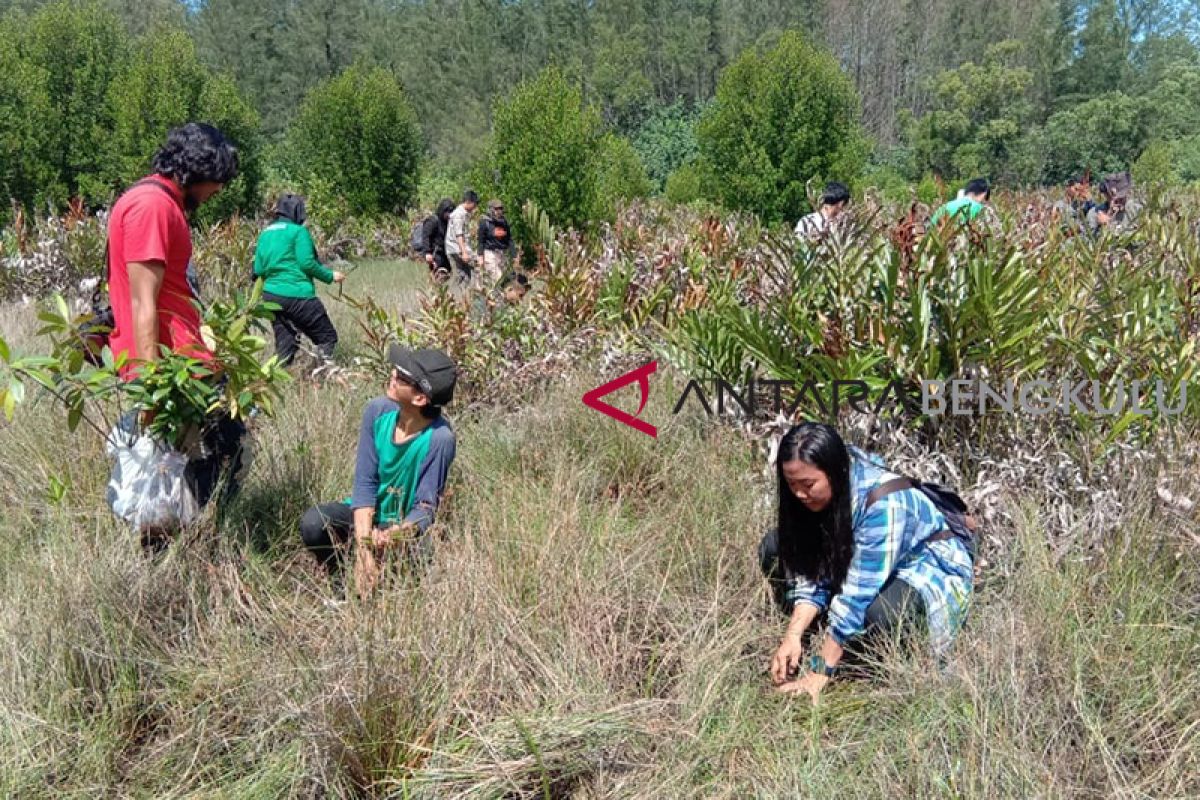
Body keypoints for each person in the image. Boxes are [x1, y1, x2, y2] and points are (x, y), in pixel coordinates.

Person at [759, 422, 974, 702]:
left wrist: (819, 672)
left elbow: (857, 594)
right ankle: (822, 633)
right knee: (776, 546)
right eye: (791, 485)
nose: (799, 494)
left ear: (835, 473)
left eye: (808, 485)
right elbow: (810, 564)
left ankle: (866, 656)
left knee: (881, 613)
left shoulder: (883, 504)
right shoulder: (811, 499)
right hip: (860, 560)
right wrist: (793, 634)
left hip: (924, 567)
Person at [105, 122, 247, 513]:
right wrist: (154, 387)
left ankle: (191, 546)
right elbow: (142, 302)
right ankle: (193, 548)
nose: (217, 191)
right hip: (172, 374)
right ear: (197, 170)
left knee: (204, 460)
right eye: (217, 180)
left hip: (185, 367)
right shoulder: (151, 206)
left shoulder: (162, 203)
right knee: (204, 465)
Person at [299, 344, 458, 597]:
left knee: (424, 556)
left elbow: (425, 509)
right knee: (314, 522)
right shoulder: (377, 411)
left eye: (402, 376)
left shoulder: (440, 439)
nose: (393, 375)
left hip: (401, 528)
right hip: (367, 515)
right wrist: (364, 551)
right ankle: (340, 586)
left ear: (419, 398)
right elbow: (365, 484)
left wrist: (395, 534)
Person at [252, 193, 346, 367]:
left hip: (271, 297)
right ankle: (323, 374)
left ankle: (276, 383)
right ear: (297, 212)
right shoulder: (298, 232)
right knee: (327, 337)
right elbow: (307, 263)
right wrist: (330, 276)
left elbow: (258, 269)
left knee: (286, 348)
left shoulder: (265, 234)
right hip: (298, 295)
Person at [477, 198, 516, 287]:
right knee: (498, 278)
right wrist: (480, 256)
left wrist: (514, 255)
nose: (499, 211)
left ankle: (502, 298)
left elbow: (509, 239)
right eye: (496, 209)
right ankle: (497, 298)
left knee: (508, 279)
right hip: (490, 254)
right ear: (491, 209)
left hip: (502, 254)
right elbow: (480, 241)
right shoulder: (485, 222)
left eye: (501, 208)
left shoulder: (504, 222)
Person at [445, 190, 480, 287]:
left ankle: (457, 295)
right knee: (479, 265)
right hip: (458, 249)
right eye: (474, 204)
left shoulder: (463, 213)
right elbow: (459, 234)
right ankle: (480, 292)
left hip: (456, 248)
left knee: (464, 276)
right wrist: (464, 252)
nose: (475, 207)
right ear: (468, 201)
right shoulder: (459, 214)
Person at [418, 198, 455, 282]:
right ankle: (435, 291)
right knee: (437, 274)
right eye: (447, 212)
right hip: (434, 253)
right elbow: (426, 236)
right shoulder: (433, 220)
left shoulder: (446, 222)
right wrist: (427, 252)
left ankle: (439, 291)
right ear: (442, 210)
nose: (449, 215)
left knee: (447, 273)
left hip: (443, 253)